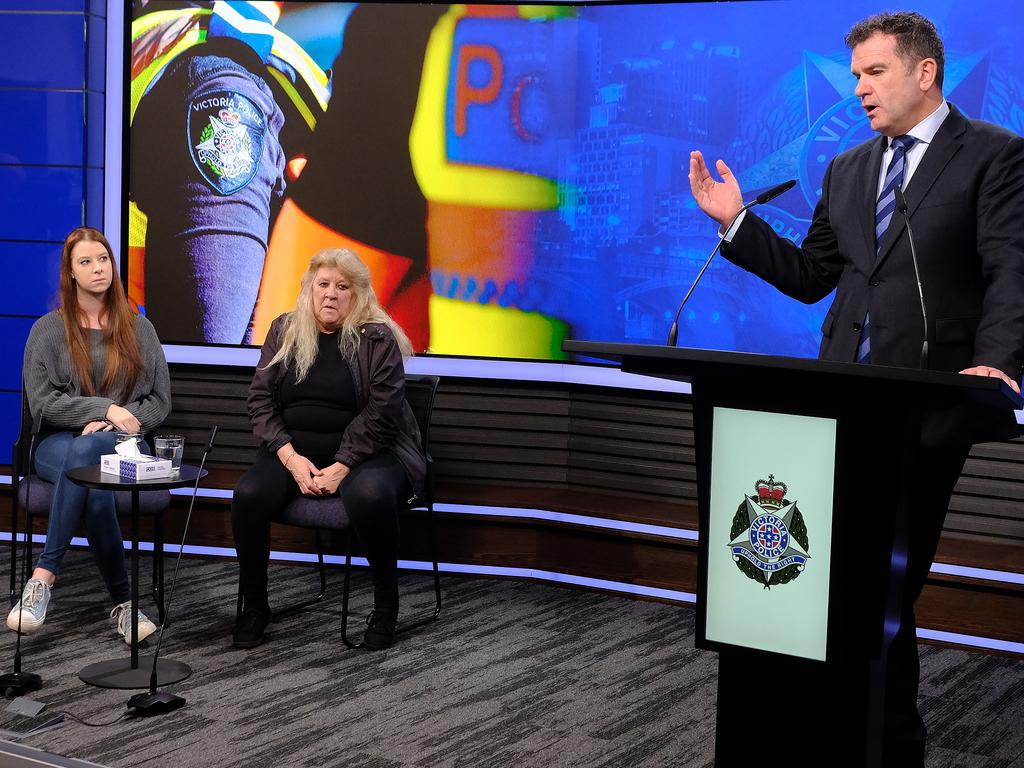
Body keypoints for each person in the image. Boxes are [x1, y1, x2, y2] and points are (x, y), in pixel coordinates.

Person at [689, 11, 1024, 766]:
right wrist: (736, 222)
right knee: (837, 584)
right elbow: (814, 279)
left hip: (929, 403)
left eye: (875, 72)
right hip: (837, 405)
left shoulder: (995, 156)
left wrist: (998, 362)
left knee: (884, 585)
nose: (861, 88)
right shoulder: (847, 169)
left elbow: (1012, 268)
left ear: (925, 72)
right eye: (855, 76)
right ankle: (838, 731)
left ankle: (889, 741)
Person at [231, 248, 426, 651]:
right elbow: (260, 401)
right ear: (308, 289)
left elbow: (384, 412)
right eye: (323, 285)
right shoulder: (284, 330)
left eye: (343, 287)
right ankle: (255, 606)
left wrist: (343, 464)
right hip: (294, 452)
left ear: (358, 295)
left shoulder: (376, 338)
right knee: (247, 496)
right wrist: (288, 455)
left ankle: (386, 606)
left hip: (373, 451)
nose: (331, 294)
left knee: (368, 495)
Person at [7, 227, 172, 642]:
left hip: (125, 445)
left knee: (94, 461)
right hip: (54, 445)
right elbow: (43, 404)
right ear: (70, 273)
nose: (98, 268)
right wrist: (104, 407)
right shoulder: (47, 331)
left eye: (103, 259)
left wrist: (118, 420)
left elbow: (159, 402)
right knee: (88, 459)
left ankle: (43, 577)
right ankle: (125, 606)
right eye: (86, 262)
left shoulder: (139, 328)